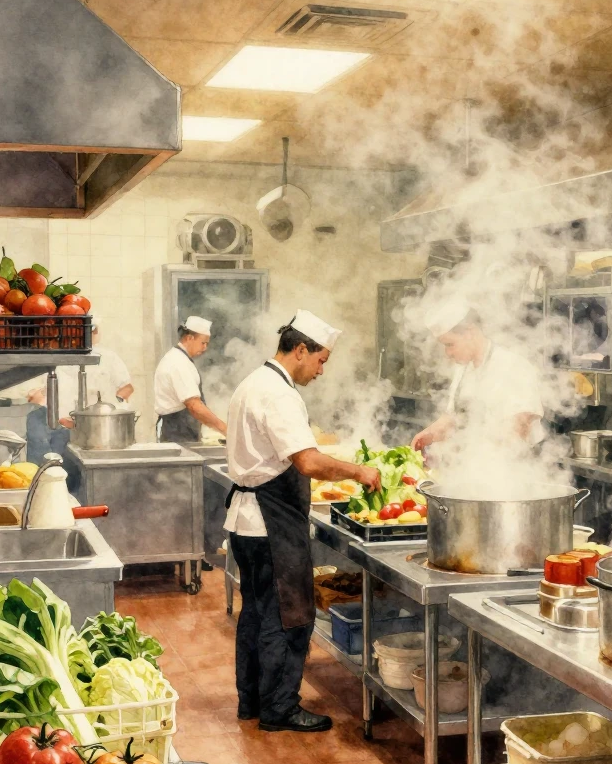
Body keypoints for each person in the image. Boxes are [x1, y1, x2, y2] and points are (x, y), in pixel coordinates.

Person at [224, 310, 381, 733]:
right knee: (287, 617)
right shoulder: (279, 393)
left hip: (247, 524)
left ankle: (252, 702)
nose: (322, 369)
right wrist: (357, 471)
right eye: (321, 360)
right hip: (270, 525)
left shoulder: (252, 382)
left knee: (255, 615)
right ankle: (279, 710)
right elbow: (308, 461)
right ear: (300, 350)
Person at [410, 298, 544, 453]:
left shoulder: (514, 367)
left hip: (515, 468)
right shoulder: (463, 369)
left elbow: (519, 428)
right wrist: (430, 434)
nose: (447, 353)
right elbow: (453, 418)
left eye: (450, 344)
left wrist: (475, 461)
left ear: (470, 332)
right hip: (475, 464)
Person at [25, 318, 134, 464]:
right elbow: (34, 395)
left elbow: (127, 388)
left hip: (93, 427)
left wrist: (114, 405)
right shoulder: (52, 357)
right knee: (53, 469)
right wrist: (43, 402)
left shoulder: (108, 357)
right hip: (59, 427)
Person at [154, 316, 226, 443]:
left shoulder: (180, 359)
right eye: (203, 343)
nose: (205, 348)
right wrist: (225, 429)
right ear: (189, 338)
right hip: (177, 433)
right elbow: (194, 406)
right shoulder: (178, 363)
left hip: (183, 431)